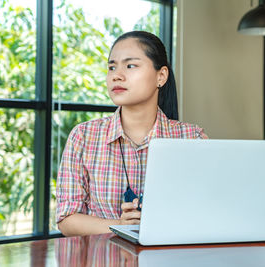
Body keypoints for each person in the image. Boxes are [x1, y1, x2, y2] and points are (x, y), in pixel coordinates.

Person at [56, 31, 207, 236]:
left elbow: (205, 212)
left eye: (130, 65)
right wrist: (120, 225)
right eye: (112, 67)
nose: (116, 75)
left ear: (160, 76)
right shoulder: (83, 137)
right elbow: (67, 219)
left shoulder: (192, 139)